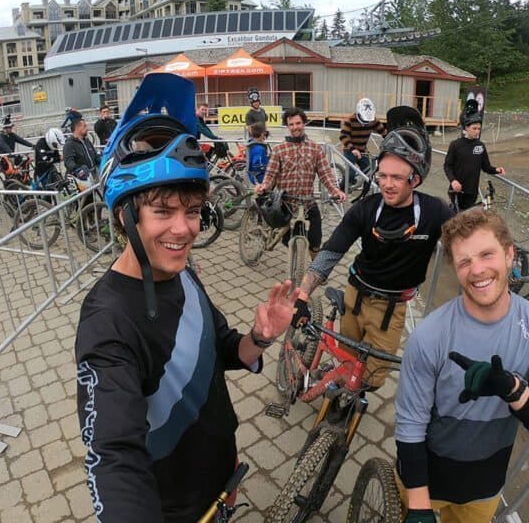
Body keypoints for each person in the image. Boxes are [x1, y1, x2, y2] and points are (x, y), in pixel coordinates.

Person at [75, 73, 299, 522]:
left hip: (221, 474)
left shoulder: (184, 274)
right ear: (124, 214)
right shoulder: (107, 322)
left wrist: (260, 336)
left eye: (192, 211)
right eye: (163, 211)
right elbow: (112, 453)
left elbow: (220, 346)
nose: (183, 229)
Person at [395, 209, 529, 523]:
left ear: (509, 256)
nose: (477, 270)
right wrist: (419, 505)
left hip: (486, 487)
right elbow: (410, 424)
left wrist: (513, 389)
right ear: (455, 269)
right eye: (464, 262)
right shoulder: (429, 336)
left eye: (486, 254)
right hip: (426, 481)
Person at [294, 119, 451, 389]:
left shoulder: (434, 212)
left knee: (373, 378)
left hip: (392, 308)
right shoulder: (365, 208)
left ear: (416, 179)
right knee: (347, 362)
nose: (387, 185)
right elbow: (331, 253)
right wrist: (303, 295)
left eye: (397, 178)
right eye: (383, 175)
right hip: (355, 296)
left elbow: (466, 240)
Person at [256, 108, 346, 259]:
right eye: (291, 124)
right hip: (284, 203)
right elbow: (270, 174)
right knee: (286, 236)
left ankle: (316, 269)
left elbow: (325, 174)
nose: (295, 127)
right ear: (287, 126)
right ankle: (295, 262)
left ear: (304, 123)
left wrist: (335, 190)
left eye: (298, 123)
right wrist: (263, 186)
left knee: (316, 238)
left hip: (307, 201)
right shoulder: (279, 150)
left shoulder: (316, 149)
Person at [443, 112, 505, 212]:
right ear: (466, 128)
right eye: (474, 128)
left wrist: (496, 170)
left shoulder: (480, 146)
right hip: (456, 190)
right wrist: (453, 180)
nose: (477, 132)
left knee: (468, 219)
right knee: (455, 216)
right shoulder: (455, 145)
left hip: (472, 191)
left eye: (479, 129)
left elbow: (486, 167)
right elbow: (447, 166)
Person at [339, 97, 386, 188]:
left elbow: (383, 131)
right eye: (364, 120)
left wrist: (391, 140)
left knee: (368, 174)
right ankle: (340, 190)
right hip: (350, 149)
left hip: (363, 150)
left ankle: (366, 194)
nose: (366, 122)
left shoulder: (373, 120)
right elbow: (343, 136)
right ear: (358, 113)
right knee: (351, 174)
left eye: (368, 121)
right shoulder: (350, 120)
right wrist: (353, 149)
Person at [64, 114, 101, 189]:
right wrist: (80, 169)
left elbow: (95, 156)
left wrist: (103, 161)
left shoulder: (87, 141)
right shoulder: (69, 144)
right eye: (84, 126)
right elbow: (69, 163)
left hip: (92, 178)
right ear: (78, 128)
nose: (87, 128)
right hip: (80, 182)